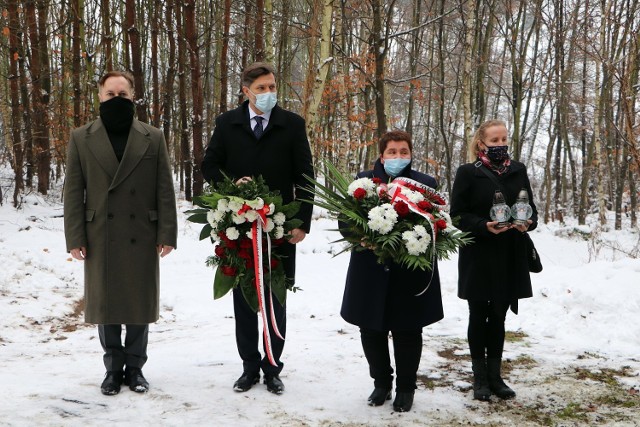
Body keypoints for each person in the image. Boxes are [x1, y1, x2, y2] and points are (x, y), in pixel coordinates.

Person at [201, 62, 314, 395]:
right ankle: (249, 366)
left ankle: (273, 367)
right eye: (261, 88)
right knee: (246, 298)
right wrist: (231, 189)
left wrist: (302, 223)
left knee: (276, 296)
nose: (268, 93)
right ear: (246, 91)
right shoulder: (227, 123)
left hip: (280, 228)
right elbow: (209, 164)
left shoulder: (292, 125)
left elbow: (305, 177)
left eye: (272, 87)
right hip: (239, 229)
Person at [63, 71, 177, 396]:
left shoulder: (152, 136)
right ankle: (113, 369)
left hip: (142, 232)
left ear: (133, 96)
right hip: (101, 234)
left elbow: (164, 189)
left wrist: (167, 231)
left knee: (139, 303)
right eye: (111, 94)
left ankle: (136, 368)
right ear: (100, 96)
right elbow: (74, 192)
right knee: (106, 304)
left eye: (123, 94)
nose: (117, 99)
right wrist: (75, 237)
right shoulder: (81, 137)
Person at [340, 130, 444, 412]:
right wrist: (361, 236)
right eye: (392, 152)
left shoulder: (425, 183)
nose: (398, 157)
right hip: (370, 269)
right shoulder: (364, 182)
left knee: (408, 330)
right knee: (371, 329)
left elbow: (437, 222)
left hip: (409, 271)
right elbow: (345, 220)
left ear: (411, 154)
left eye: (404, 152)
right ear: (381, 155)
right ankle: (381, 383)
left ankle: (406, 388)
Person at [450, 119, 537, 401]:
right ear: (481, 144)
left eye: (504, 139)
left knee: (499, 315)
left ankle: (496, 376)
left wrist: (528, 223)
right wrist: (482, 225)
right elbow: (457, 214)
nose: (500, 145)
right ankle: (479, 379)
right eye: (494, 140)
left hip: (510, 253)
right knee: (479, 314)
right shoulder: (467, 173)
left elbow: (530, 208)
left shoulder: (518, 170)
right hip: (478, 253)